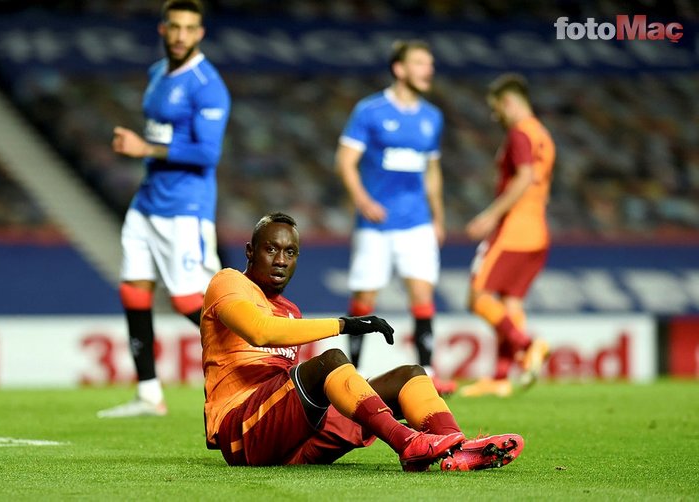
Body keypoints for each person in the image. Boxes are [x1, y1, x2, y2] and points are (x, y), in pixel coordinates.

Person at [200, 211, 524, 470]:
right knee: (329, 363)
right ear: (249, 251)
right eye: (271, 249)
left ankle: (458, 446)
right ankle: (407, 443)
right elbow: (260, 331)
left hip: (294, 440)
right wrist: (344, 325)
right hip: (242, 432)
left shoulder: (290, 311)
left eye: (290, 252)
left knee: (409, 375)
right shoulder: (228, 282)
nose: (281, 260)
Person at [98, 0, 230, 418]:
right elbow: (164, 134)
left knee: (192, 300)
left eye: (189, 28)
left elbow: (208, 153)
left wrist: (144, 147)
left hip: (184, 207)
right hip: (147, 202)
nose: (180, 35)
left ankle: (271, 357)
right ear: (162, 29)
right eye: (174, 26)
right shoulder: (157, 74)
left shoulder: (207, 84)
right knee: (134, 289)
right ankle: (149, 393)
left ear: (200, 34)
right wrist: (143, 147)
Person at [334, 40, 455, 395]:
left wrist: (438, 216)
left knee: (422, 294)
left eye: (429, 63)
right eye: (420, 63)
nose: (428, 70)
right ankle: (350, 376)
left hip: (416, 222)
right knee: (364, 300)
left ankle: (427, 372)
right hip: (376, 224)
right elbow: (345, 161)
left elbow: (432, 170)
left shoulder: (432, 117)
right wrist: (362, 200)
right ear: (399, 69)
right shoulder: (369, 111)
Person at [459, 74, 554, 398]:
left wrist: (491, 214)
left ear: (509, 102)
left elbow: (525, 176)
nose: (493, 115)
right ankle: (501, 378)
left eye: (495, 107)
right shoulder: (543, 135)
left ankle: (529, 345)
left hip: (513, 229)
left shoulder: (519, 133)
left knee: (478, 297)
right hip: (538, 231)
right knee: (510, 302)